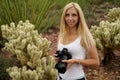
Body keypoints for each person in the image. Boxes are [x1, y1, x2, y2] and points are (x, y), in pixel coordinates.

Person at [53, 2, 100, 80]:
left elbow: (96, 62)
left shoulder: (85, 37)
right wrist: (57, 59)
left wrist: (76, 61)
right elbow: (60, 58)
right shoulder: (61, 35)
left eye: (74, 15)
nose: (70, 18)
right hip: (60, 77)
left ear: (79, 17)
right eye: (67, 15)